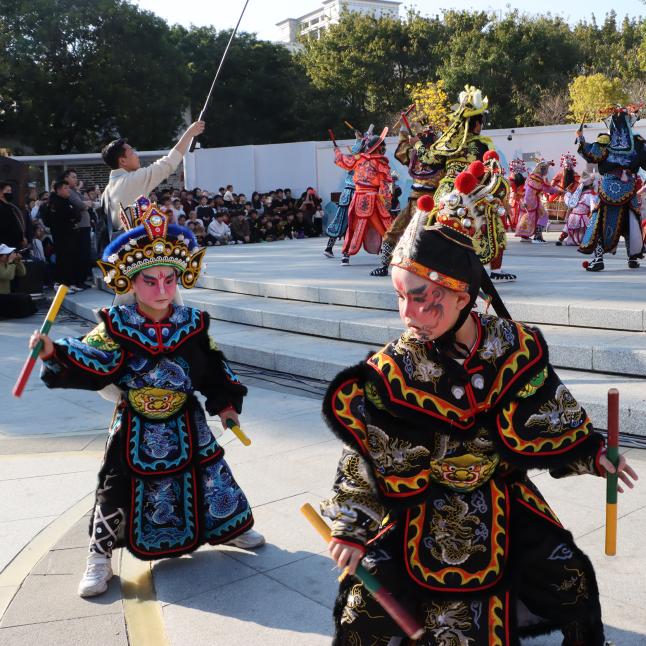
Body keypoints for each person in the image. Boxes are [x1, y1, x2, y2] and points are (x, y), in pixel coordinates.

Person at [320, 193, 637, 645]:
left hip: (501, 493)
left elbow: (548, 409)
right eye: (399, 298)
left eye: (421, 300)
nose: (407, 315)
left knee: (571, 578)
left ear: (462, 296)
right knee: (364, 605)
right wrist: (351, 526)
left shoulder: (511, 345)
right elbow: (365, 451)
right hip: (423, 504)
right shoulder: (394, 368)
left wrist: (591, 454)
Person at [29, 196, 264, 599]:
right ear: (130, 282)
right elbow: (92, 356)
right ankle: (99, 557)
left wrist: (225, 403)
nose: (162, 289)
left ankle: (231, 528)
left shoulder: (192, 322)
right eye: (150, 281)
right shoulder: (116, 324)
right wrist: (54, 351)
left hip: (185, 418)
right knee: (115, 485)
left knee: (211, 473)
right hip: (136, 420)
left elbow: (210, 366)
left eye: (169, 279)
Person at [101, 121, 205, 235]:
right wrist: (189, 133)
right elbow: (168, 163)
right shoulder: (132, 180)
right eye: (132, 152)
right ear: (122, 161)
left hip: (121, 243)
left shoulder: (107, 191)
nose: (136, 156)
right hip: (137, 241)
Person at [369, 122, 445, 276]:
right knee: (393, 231)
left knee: (422, 235)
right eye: (423, 135)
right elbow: (403, 149)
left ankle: (427, 267)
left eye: (427, 135)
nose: (423, 137)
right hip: (412, 200)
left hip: (431, 202)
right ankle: (384, 266)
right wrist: (403, 128)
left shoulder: (441, 157)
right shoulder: (415, 155)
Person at [576, 105, 646, 271]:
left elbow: (591, 154)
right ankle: (632, 258)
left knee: (600, 222)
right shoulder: (637, 142)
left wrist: (581, 139)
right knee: (630, 222)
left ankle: (598, 259)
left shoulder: (605, 140)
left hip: (608, 187)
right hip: (629, 187)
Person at [413, 86, 494, 221]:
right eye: (481, 122)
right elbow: (490, 172)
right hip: (471, 194)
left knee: (432, 221)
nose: (481, 126)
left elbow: (428, 159)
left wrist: (417, 144)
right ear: (476, 124)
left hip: (445, 192)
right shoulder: (483, 144)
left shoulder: (449, 144)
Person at [332, 129, 393, 266]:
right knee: (384, 226)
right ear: (378, 147)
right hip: (373, 199)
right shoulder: (381, 163)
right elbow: (385, 184)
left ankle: (346, 254)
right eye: (383, 146)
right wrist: (387, 200)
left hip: (358, 198)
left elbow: (344, 161)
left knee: (353, 226)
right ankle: (395, 252)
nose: (384, 149)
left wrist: (337, 151)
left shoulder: (359, 158)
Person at [324, 132, 367, 258]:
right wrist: (359, 140)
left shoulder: (354, 159)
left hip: (350, 193)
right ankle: (344, 252)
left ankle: (332, 248)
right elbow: (356, 151)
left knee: (342, 220)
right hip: (357, 193)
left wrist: (358, 140)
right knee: (349, 222)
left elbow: (343, 156)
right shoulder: (363, 160)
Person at [43, 180, 82, 291]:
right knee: (63, 260)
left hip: (71, 235)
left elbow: (76, 214)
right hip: (61, 236)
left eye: (68, 188)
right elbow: (54, 220)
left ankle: (71, 282)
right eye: (65, 188)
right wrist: (70, 219)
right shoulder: (54, 203)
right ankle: (62, 284)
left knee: (71, 259)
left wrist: (73, 218)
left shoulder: (66, 201)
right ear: (58, 190)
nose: (68, 190)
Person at [515, 159, 561, 243]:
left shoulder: (535, 177)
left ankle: (525, 236)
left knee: (530, 218)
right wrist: (526, 202)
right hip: (530, 201)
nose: (547, 171)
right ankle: (537, 237)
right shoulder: (535, 179)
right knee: (543, 216)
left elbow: (547, 188)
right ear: (542, 169)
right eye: (546, 169)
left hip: (530, 201)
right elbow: (530, 191)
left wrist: (558, 191)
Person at [556, 171, 599, 247]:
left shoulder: (577, 194)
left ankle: (560, 239)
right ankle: (581, 241)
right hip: (582, 216)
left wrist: (568, 192)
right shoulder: (591, 195)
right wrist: (593, 213)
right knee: (584, 230)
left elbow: (569, 202)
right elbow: (593, 207)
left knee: (567, 228)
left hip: (572, 215)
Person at [0, 244, 37, 318]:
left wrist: (18, 261)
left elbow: (22, 273)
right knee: (20, 299)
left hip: (5, 294)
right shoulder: (5, 264)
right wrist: (10, 262)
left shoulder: (6, 264)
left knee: (27, 297)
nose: (9, 255)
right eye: (7, 254)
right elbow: (8, 276)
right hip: (1, 295)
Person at [0, 182, 28, 249]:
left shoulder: (10, 206)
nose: (10, 193)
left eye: (10, 191)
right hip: (7, 246)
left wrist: (21, 238)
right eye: (7, 191)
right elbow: (5, 227)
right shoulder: (1, 207)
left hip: (15, 244)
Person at [507, 158, 527, 230]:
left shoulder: (511, 179)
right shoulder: (519, 179)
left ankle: (513, 225)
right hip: (517, 198)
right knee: (515, 211)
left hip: (513, 197)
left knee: (514, 211)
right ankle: (515, 225)